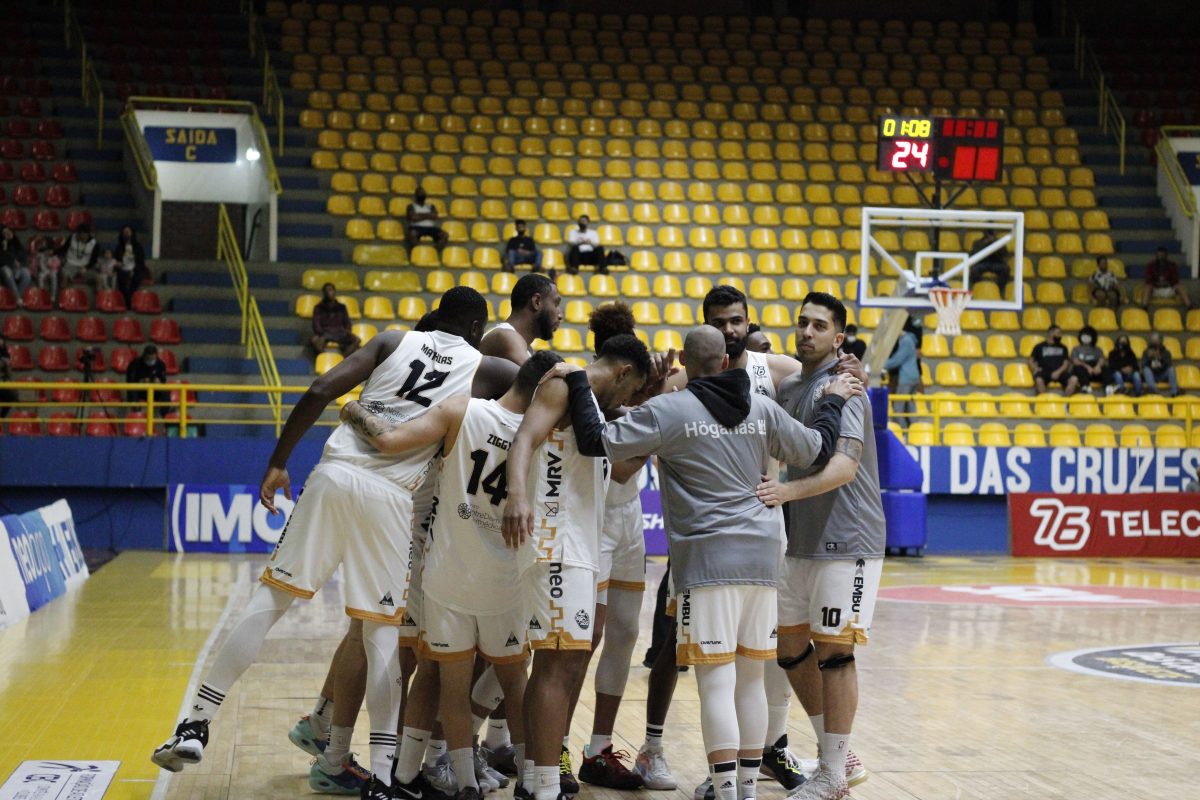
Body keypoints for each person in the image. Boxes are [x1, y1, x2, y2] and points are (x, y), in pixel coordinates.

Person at [150, 288, 518, 800]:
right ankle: (384, 778)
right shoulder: (485, 367)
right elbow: (540, 381)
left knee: (270, 599)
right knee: (380, 635)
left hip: (334, 473)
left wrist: (278, 463)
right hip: (392, 497)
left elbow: (322, 388)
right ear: (476, 329)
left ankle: (196, 723)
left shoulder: (392, 340)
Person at [558, 325, 860, 800]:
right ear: (725, 362)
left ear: (684, 362)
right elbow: (818, 449)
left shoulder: (668, 410)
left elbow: (595, 441)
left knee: (716, 682)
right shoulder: (762, 408)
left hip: (706, 561)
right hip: (763, 559)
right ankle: (747, 790)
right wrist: (834, 400)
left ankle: (725, 788)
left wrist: (576, 379)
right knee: (751, 680)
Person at [342, 351, 565, 800]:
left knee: (450, 683)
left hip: (447, 577)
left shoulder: (461, 410)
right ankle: (531, 780)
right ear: (546, 391)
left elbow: (389, 440)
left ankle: (464, 783)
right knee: (515, 684)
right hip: (506, 583)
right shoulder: (550, 435)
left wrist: (351, 408)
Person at [501, 334, 652, 800]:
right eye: (630, 391)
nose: (625, 401)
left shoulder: (592, 408)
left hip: (577, 546)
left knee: (558, 665)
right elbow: (524, 439)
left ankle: (534, 778)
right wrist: (517, 494)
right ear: (623, 372)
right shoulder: (563, 384)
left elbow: (619, 468)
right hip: (556, 542)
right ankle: (545, 784)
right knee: (559, 666)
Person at [756, 293, 885, 799]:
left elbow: (845, 467)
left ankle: (832, 773)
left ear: (839, 338)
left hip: (849, 538)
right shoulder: (791, 386)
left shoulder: (848, 388)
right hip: (801, 538)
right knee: (789, 646)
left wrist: (786, 492)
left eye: (819, 325)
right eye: (802, 323)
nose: (806, 332)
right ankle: (838, 753)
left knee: (835, 653)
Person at [577, 303, 651, 791]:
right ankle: (539, 744)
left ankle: (598, 747)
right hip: (594, 518)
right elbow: (621, 468)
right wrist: (659, 422)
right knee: (580, 641)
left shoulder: (633, 396)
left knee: (624, 633)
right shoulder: (587, 391)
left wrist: (654, 409)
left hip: (629, 520)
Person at [479, 273, 562, 366]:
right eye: (556, 304)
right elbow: (538, 376)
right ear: (536, 302)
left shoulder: (527, 348)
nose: (560, 315)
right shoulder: (505, 336)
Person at [311, 283, 361, 358]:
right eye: (327, 290)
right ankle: (326, 357)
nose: (329, 292)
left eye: (331, 290)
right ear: (324, 293)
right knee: (314, 340)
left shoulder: (342, 307)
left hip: (340, 332)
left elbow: (347, 322)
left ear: (334, 291)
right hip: (325, 333)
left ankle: (341, 359)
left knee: (357, 340)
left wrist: (346, 331)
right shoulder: (318, 308)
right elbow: (316, 324)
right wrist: (322, 333)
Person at [883, 320, 920, 421]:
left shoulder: (906, 341)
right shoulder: (909, 339)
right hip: (913, 377)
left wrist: (882, 364)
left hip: (906, 378)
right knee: (910, 406)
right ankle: (913, 428)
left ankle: (901, 429)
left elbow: (898, 359)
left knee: (898, 408)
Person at [1029, 325, 1079, 396]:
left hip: (1060, 371)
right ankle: (1045, 400)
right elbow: (1030, 360)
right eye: (1058, 333)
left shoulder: (1063, 347)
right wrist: (1035, 369)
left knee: (1074, 379)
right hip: (1044, 371)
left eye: (1060, 333)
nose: (1060, 335)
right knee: (1038, 380)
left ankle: (1066, 401)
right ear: (1051, 333)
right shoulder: (1039, 346)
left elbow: (1066, 364)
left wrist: (1058, 372)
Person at [406, 186, 449, 252]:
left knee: (444, 235)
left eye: (423, 193)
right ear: (416, 195)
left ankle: (433, 252)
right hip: (416, 227)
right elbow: (413, 217)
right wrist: (428, 215)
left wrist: (419, 215)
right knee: (412, 234)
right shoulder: (411, 206)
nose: (422, 194)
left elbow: (434, 216)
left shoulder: (431, 206)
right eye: (420, 193)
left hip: (430, 228)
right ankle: (418, 251)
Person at [1070, 325, 1109, 394]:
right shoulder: (1076, 349)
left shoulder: (1098, 349)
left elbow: (1101, 359)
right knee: (1078, 367)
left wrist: (1098, 366)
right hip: (1082, 372)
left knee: (1105, 368)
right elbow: (1075, 361)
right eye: (1083, 335)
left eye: (1088, 335)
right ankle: (1085, 387)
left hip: (1095, 372)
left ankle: (1109, 387)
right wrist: (1087, 367)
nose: (1085, 337)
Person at [115, 225, 146, 307]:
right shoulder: (119, 247)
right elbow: (116, 259)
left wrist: (133, 270)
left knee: (136, 278)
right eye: (124, 232)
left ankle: (129, 300)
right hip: (123, 269)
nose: (126, 234)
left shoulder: (138, 247)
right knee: (121, 278)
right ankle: (124, 301)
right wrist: (118, 264)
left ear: (132, 233)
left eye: (128, 232)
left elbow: (141, 262)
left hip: (135, 269)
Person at [1141, 332, 1178, 397]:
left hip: (1162, 375)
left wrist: (1160, 358)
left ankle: (1174, 392)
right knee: (1146, 370)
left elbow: (1169, 364)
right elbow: (1143, 365)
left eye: (1156, 342)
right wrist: (1149, 358)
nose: (1154, 344)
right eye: (1153, 341)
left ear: (1160, 342)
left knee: (1171, 369)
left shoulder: (1166, 352)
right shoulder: (1146, 352)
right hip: (1152, 375)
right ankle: (1153, 391)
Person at [0, 226, 30, 305]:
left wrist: (19, 262)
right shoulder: (2, 245)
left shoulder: (16, 243)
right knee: (6, 271)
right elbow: (1, 260)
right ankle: (18, 298)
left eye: (9, 232)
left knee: (27, 274)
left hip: (17, 268)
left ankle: (16, 298)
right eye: (4, 233)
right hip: (5, 268)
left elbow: (24, 256)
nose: (7, 234)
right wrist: (4, 249)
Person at [0, 335, 15, 417]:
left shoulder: (6, 355)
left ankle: (2, 417)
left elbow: (9, 375)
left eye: (2, 340)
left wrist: (8, 365)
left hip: (2, 383)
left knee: (11, 398)